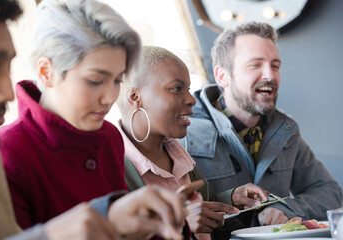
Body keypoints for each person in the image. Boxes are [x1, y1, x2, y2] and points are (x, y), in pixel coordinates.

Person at [0, 1, 198, 240]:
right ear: (46, 72)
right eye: (96, 80)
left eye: (117, 80)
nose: (109, 98)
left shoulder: (109, 136)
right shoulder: (6, 153)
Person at [179, 21, 343, 238]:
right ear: (222, 76)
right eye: (255, 65)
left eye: (275, 65)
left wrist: (287, 208)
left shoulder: (286, 130)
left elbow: (331, 192)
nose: (270, 75)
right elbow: (174, 211)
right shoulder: (183, 129)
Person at [116, 46, 270, 240]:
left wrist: (230, 200)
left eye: (188, 89)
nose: (191, 100)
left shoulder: (178, 153)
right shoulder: (111, 166)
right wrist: (179, 223)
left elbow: (195, 211)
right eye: (176, 89)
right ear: (136, 98)